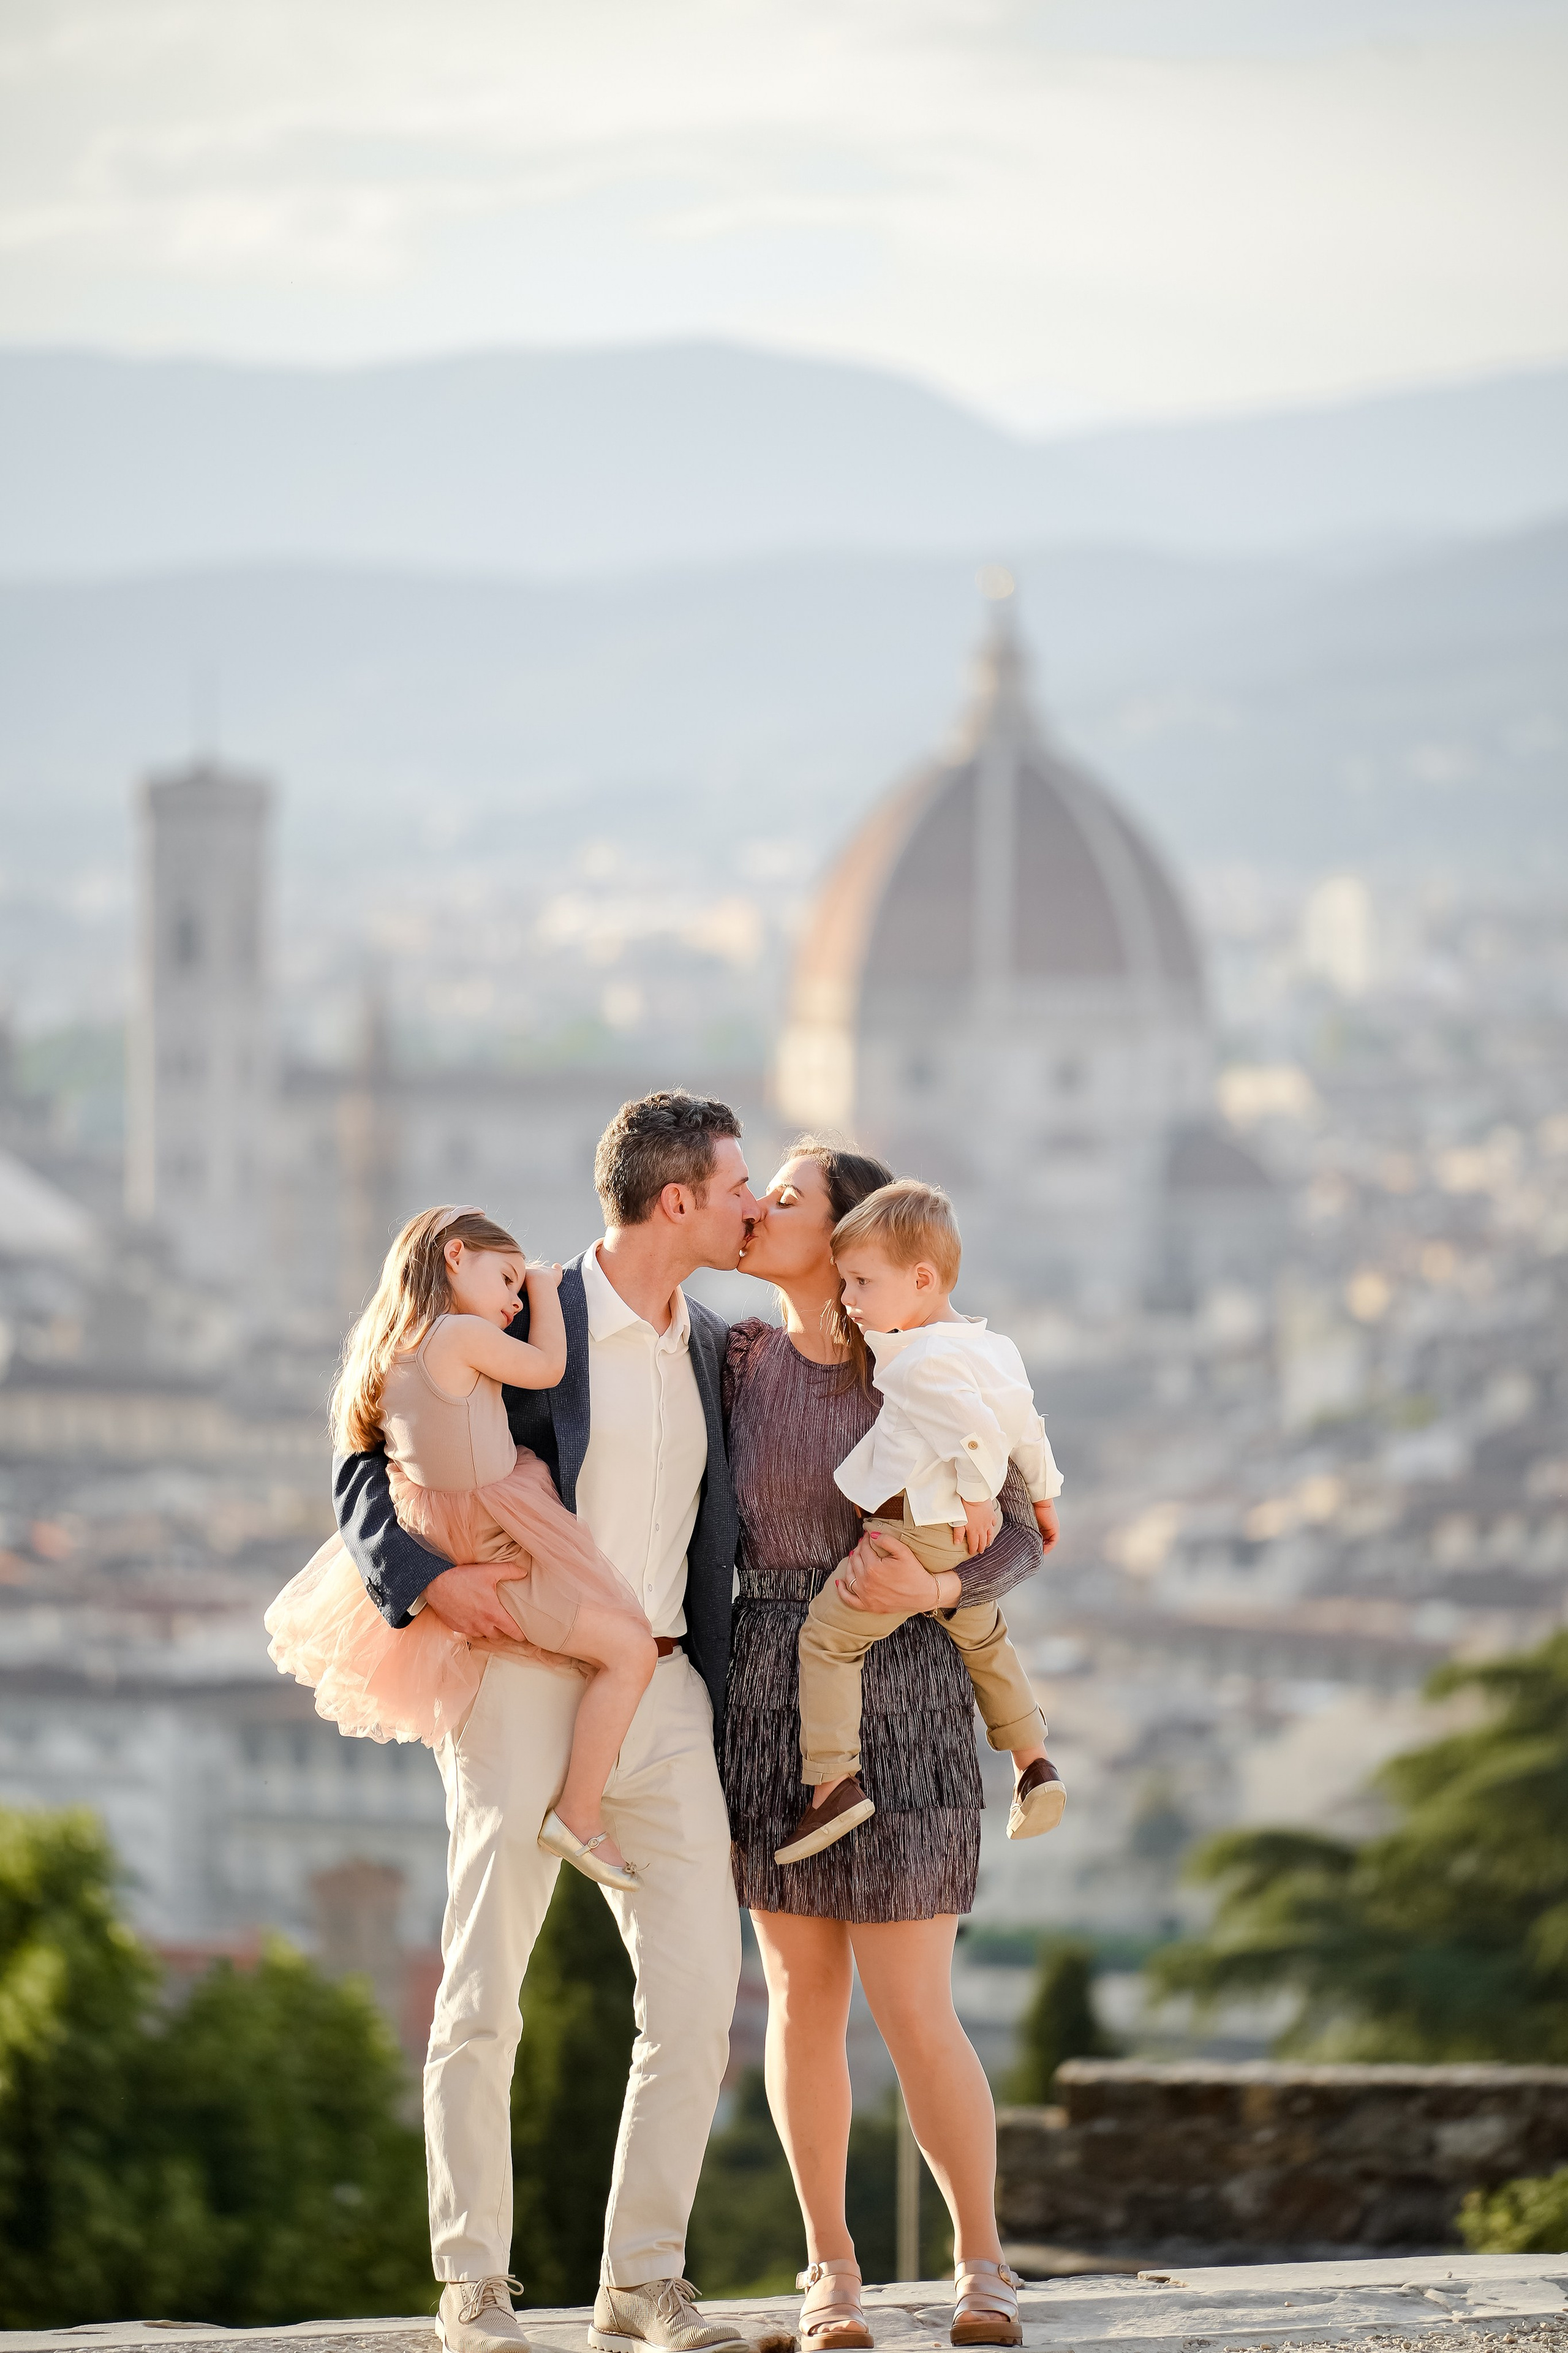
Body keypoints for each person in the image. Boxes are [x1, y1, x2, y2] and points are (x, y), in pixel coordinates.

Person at [333, 1093, 761, 2353]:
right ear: (675, 1199)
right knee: (482, 1992)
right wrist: (419, 1582)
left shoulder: (712, 1349)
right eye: (735, 1184)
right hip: (520, 1679)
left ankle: (641, 2282)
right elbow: (373, 1442)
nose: (746, 1205)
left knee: (696, 1994)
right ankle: (471, 2286)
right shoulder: (531, 1315)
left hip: (664, 1688)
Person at [724, 1141, 1054, 2353]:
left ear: (851, 1230)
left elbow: (1023, 1527)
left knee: (917, 2006)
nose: (759, 1208)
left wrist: (945, 1584)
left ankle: (982, 2264)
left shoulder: (925, 1356)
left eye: (787, 1197)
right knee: (800, 1999)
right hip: (770, 1682)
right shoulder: (737, 1357)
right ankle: (831, 2276)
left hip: (910, 1683)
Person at [265, 1204, 656, 1888]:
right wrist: (543, 1287)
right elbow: (547, 1368)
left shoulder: (389, 1349)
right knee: (630, 1648)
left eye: (514, 1286)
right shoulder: (455, 1335)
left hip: (441, 1525)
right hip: (493, 1526)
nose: (510, 1298)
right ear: (455, 1257)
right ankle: (579, 1812)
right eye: (503, 1278)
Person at [775, 1179, 1064, 1868]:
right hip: (962, 1543)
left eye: (861, 1283)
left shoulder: (911, 1358)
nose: (848, 1300)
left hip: (911, 1532)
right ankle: (1035, 1764)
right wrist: (1044, 1496)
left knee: (827, 1639)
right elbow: (1026, 1426)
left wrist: (976, 1495)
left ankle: (833, 1782)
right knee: (986, 1640)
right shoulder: (994, 1349)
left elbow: (969, 1433)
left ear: (923, 1279)